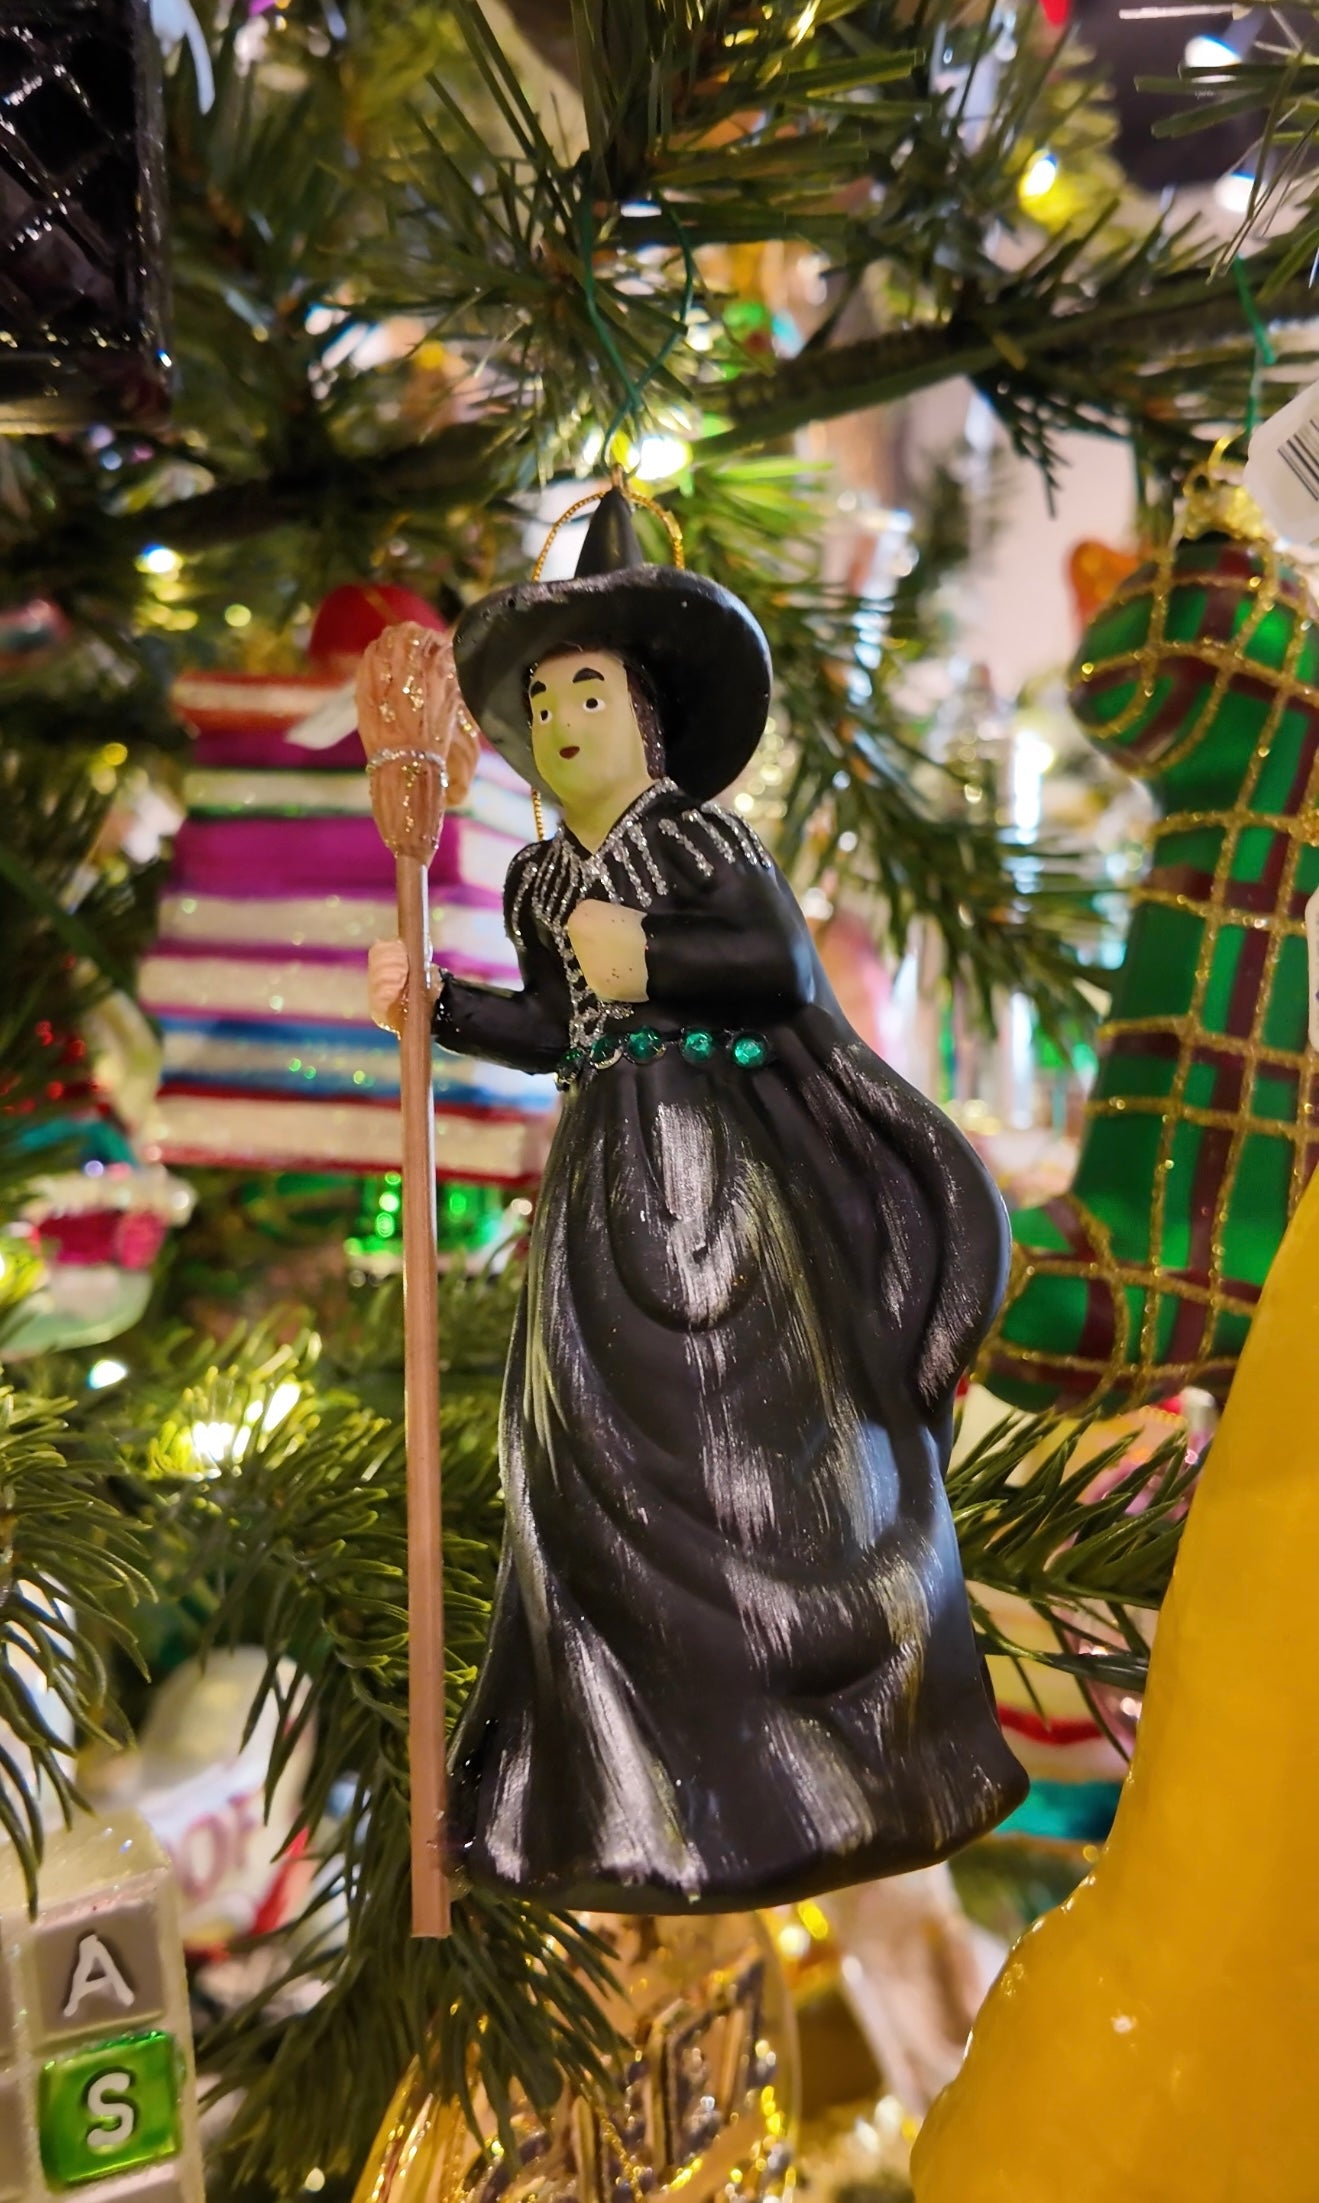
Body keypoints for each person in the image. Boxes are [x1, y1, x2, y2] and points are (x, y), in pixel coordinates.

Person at [367, 490, 1026, 1912]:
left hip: (719, 1178)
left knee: (743, 1433)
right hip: (598, 1183)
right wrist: (444, 1006)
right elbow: (555, 1028)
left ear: (649, 719)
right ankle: (617, 1773)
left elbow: (779, 970)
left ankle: (817, 1726)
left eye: (589, 694)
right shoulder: (543, 880)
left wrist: (654, 958)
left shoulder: (706, 849)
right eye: (544, 701)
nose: (562, 723)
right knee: (590, 1451)